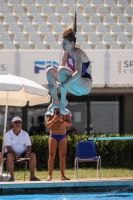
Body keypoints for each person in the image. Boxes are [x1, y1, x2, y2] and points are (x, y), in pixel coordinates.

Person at [46, 12, 92, 114]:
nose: (63, 46)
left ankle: (63, 102)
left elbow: (78, 73)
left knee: (62, 70)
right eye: (62, 44)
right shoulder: (65, 53)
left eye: (65, 44)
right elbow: (59, 72)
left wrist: (64, 85)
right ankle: (55, 101)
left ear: (72, 43)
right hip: (74, 86)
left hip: (84, 86)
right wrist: (52, 83)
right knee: (50, 71)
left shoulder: (77, 53)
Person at [3, 116, 40, 182]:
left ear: (21, 124)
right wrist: (15, 154)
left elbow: (28, 145)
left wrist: (28, 153)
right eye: (16, 122)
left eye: (19, 122)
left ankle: (32, 177)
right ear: (12, 124)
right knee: (9, 156)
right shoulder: (8, 134)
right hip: (11, 153)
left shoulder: (25, 134)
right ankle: (12, 177)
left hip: (23, 153)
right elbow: (7, 146)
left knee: (33, 155)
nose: (18, 124)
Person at [45, 108, 72, 181]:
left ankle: (62, 175)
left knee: (63, 156)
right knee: (51, 155)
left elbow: (69, 124)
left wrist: (62, 121)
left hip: (62, 135)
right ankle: (49, 175)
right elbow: (47, 125)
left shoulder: (66, 111)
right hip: (53, 135)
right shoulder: (50, 112)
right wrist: (54, 119)